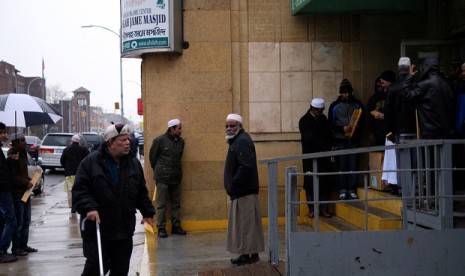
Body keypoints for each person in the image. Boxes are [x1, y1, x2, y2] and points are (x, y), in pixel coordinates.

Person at [72, 123, 155, 275]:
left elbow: (141, 192)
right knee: (96, 267)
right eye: (123, 140)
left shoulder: (133, 164)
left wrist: (147, 212)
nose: (128, 142)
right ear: (111, 142)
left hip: (123, 229)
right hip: (97, 229)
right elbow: (80, 191)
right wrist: (89, 208)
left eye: (128, 139)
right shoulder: (90, 163)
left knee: (120, 269)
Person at [224, 113, 264, 266]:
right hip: (241, 192)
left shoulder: (242, 141)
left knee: (246, 226)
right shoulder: (238, 140)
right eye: (227, 126)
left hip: (243, 192)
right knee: (245, 225)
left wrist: (233, 184)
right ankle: (248, 255)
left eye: (232, 125)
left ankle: (248, 256)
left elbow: (245, 167)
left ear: (240, 126)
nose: (229, 128)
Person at [384, 57, 417, 196]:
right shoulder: (416, 85)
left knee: (401, 163)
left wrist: (389, 132)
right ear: (410, 68)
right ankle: (415, 190)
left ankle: (403, 190)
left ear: (398, 69)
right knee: (415, 164)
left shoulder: (393, 88)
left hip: (399, 131)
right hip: (415, 131)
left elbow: (388, 112)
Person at [328, 79, 366, 200]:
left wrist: (357, 129)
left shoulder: (358, 104)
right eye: (344, 93)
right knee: (342, 166)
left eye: (348, 92)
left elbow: (364, 122)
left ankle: (352, 189)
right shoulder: (334, 106)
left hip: (354, 140)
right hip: (340, 140)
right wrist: (341, 129)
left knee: (353, 165)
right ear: (341, 93)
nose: (347, 95)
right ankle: (342, 189)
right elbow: (330, 124)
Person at [401, 57, 455, 139]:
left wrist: (409, 77)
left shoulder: (425, 84)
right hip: (445, 130)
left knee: (430, 151)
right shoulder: (446, 84)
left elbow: (406, 94)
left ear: (425, 68)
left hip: (430, 130)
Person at [149, 119, 186, 238]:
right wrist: (160, 171)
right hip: (162, 177)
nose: (181, 130)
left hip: (176, 177)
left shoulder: (181, 142)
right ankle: (161, 228)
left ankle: (176, 226)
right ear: (172, 129)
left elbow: (179, 157)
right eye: (179, 128)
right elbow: (152, 158)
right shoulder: (159, 140)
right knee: (161, 204)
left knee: (176, 203)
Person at [299, 98, 334, 218]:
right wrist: (327, 146)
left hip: (323, 157)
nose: (321, 113)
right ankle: (312, 209)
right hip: (310, 156)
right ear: (313, 110)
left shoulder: (323, 119)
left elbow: (329, 134)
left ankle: (324, 209)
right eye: (319, 111)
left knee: (324, 182)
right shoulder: (304, 121)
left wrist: (331, 146)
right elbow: (310, 139)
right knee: (310, 183)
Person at [7, 133, 38, 256]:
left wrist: (31, 180)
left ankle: (23, 245)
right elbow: (12, 177)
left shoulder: (24, 154)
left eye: (24, 140)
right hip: (17, 192)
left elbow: (23, 174)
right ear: (15, 142)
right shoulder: (12, 156)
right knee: (19, 222)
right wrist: (26, 182)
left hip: (25, 192)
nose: (25, 142)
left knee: (26, 220)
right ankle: (16, 247)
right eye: (22, 140)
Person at [0, 122, 18, 263]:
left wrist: (9, 161)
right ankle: (2, 250)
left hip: (4, 189)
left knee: (4, 221)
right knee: (10, 220)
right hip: (3, 191)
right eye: (1, 132)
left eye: (5, 132)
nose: (4, 135)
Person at [60, 134, 90, 213]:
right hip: (80, 173)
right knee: (80, 189)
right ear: (79, 141)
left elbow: (62, 161)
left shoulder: (66, 150)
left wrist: (66, 167)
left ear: (72, 141)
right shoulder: (84, 149)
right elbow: (89, 160)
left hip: (69, 173)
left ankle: (72, 206)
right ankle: (79, 204)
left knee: (70, 190)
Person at [366, 71, 395, 146]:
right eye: (378, 86)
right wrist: (370, 133)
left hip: (390, 131)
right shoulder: (372, 100)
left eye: (382, 84)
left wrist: (384, 116)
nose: (381, 87)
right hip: (377, 132)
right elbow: (368, 118)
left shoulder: (391, 96)